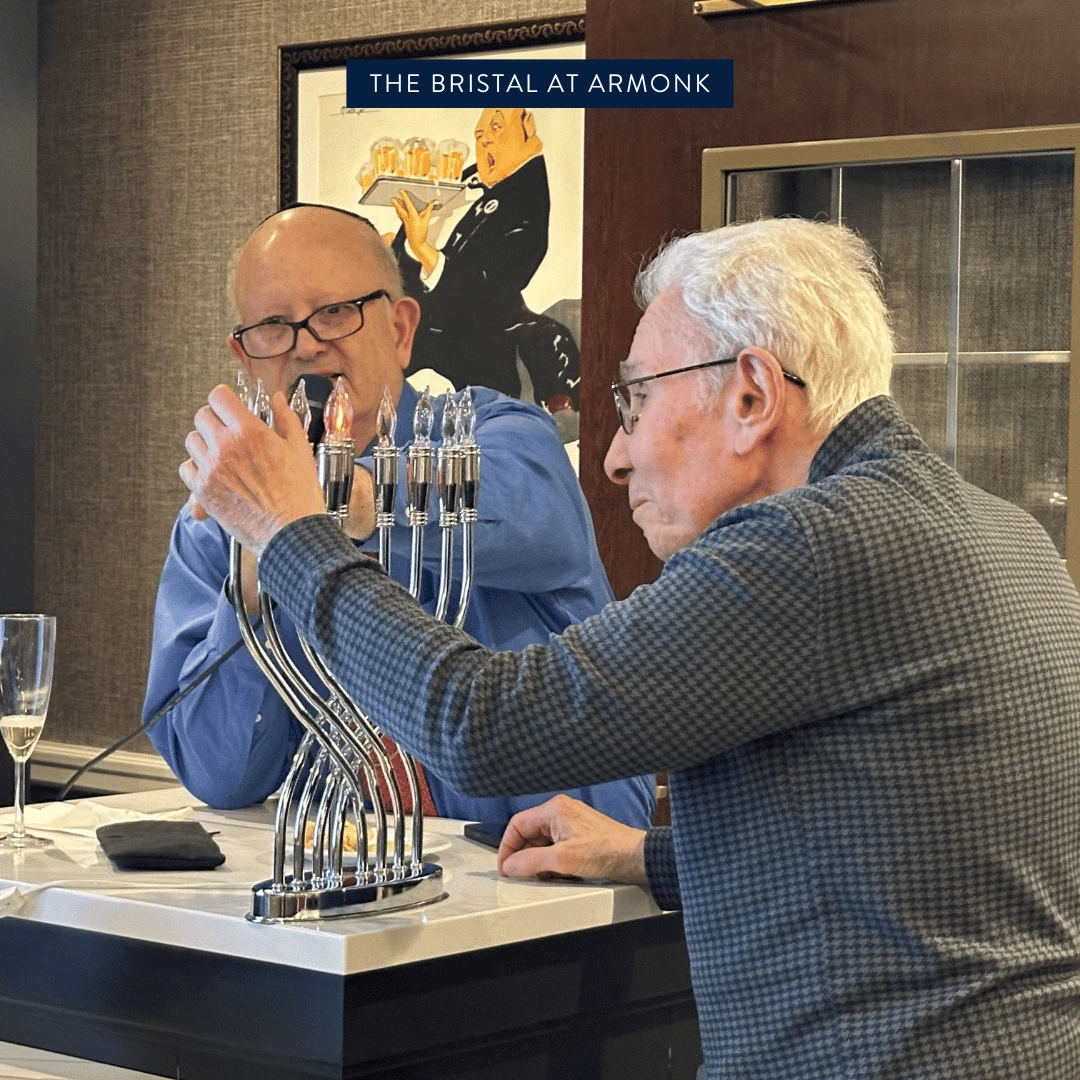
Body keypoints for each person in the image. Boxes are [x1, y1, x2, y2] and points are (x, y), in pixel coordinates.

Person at [180, 217, 1080, 1078]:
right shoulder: (1003, 531)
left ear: (752, 395)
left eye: (639, 400)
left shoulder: (800, 547)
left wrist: (292, 532)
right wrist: (640, 856)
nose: (614, 457)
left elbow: (476, 724)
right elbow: (898, 852)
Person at [143, 203, 655, 829]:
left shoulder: (501, 432)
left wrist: (319, 513)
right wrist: (253, 590)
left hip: (551, 878)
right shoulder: (215, 524)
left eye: (334, 313)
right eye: (274, 326)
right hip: (350, 883)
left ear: (401, 330)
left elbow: (532, 521)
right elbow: (219, 774)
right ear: (246, 358)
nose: (306, 345)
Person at [390, 107, 580, 408]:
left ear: (528, 132)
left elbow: (487, 284)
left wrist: (424, 249)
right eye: (480, 134)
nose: (485, 140)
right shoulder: (463, 178)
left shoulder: (527, 203)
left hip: (471, 350)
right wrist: (407, 250)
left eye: (496, 129)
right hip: (407, 337)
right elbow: (404, 253)